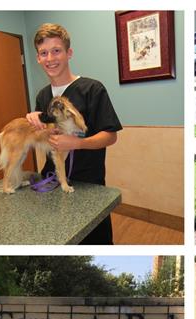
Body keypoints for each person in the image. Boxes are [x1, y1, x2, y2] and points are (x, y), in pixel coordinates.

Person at [27, 23, 122, 244]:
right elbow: (46, 138)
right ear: (38, 58)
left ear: (69, 53)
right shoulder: (42, 96)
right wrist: (33, 123)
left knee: (93, 242)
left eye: (56, 50)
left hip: (88, 183)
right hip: (52, 181)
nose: (50, 58)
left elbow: (110, 136)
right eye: (44, 53)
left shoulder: (92, 89)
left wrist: (76, 143)